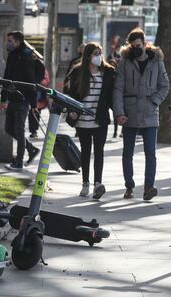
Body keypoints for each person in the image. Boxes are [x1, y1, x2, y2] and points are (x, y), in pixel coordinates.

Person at [113, 27, 170, 201]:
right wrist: (119, 113)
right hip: (129, 112)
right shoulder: (125, 63)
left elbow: (165, 85)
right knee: (127, 153)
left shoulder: (157, 62)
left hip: (150, 112)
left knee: (150, 152)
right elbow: (118, 89)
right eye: (132, 46)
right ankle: (129, 186)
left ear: (145, 44)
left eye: (138, 45)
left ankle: (148, 187)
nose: (136, 49)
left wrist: (154, 101)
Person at [66, 42, 115, 199]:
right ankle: (85, 183)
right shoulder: (78, 72)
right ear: (87, 56)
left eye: (100, 53)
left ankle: (98, 184)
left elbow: (112, 97)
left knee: (99, 151)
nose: (98, 56)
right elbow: (71, 95)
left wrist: (120, 113)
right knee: (85, 152)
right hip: (82, 120)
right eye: (95, 53)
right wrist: (72, 111)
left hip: (100, 119)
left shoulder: (108, 72)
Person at [2, 31, 40, 171]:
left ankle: (19, 162)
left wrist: (34, 104)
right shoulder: (12, 55)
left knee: (19, 130)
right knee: (9, 128)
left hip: (23, 99)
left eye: (10, 41)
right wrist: (3, 97)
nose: (8, 43)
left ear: (18, 42)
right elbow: (6, 77)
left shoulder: (25, 55)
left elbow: (31, 81)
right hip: (12, 98)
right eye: (8, 41)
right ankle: (31, 149)